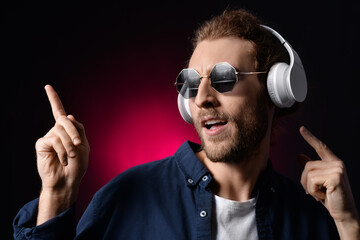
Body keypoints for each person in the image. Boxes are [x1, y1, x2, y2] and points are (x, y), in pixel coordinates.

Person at [13, 9, 360, 240]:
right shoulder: (125, 198)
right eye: (192, 83)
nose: (202, 97)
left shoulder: (312, 218)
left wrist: (348, 226)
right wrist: (55, 198)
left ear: (275, 91)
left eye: (225, 78)